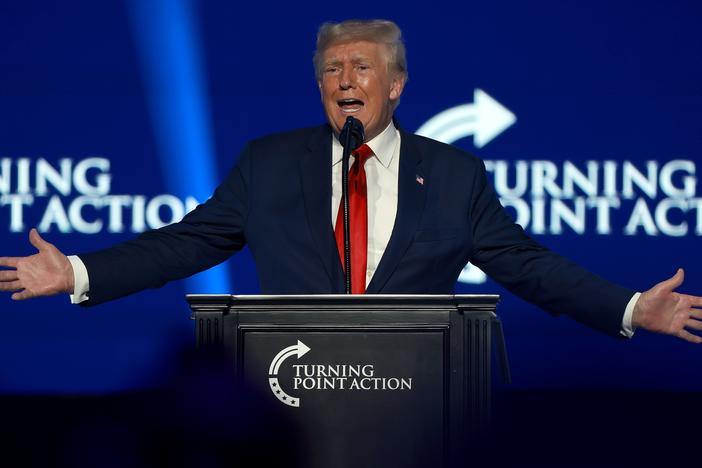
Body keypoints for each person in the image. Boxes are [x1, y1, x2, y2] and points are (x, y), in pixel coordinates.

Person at [0, 19, 700, 342]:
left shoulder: (454, 175)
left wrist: (632, 307)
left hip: (421, 410)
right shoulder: (270, 163)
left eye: (361, 67)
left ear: (395, 85)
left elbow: (527, 266)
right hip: (290, 398)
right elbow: (185, 245)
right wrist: (81, 272)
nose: (344, 80)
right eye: (331, 70)